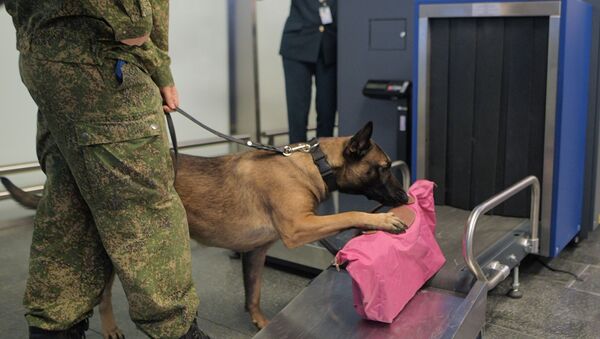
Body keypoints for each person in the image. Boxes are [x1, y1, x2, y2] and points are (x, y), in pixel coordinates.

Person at [4, 1, 209, 338]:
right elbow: (132, 20)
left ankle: (55, 326)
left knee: (70, 202)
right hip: (98, 56)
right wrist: (152, 54)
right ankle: (176, 329)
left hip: (49, 51)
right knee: (144, 207)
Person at [280, 0, 338, 144]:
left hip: (331, 45)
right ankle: (297, 159)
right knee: (297, 112)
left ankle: (325, 158)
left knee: (327, 111)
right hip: (297, 44)